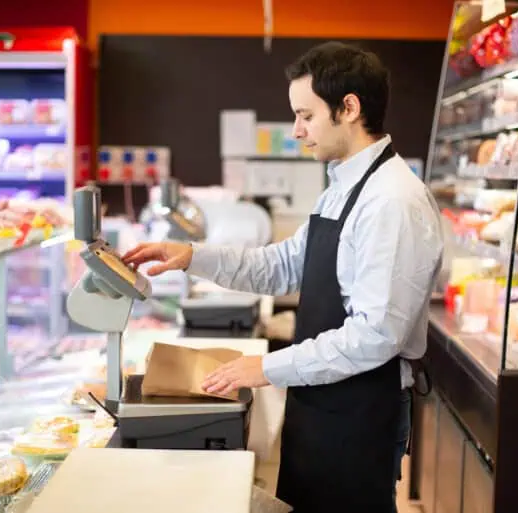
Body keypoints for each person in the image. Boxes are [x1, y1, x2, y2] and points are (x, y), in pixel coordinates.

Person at [123, 41, 444, 513]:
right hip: (324, 400)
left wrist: (266, 368)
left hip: (360, 411)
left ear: (349, 108)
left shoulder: (392, 200)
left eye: (306, 116)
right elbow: (281, 267)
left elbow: (377, 334)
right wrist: (192, 255)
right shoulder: (341, 187)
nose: (296, 131)